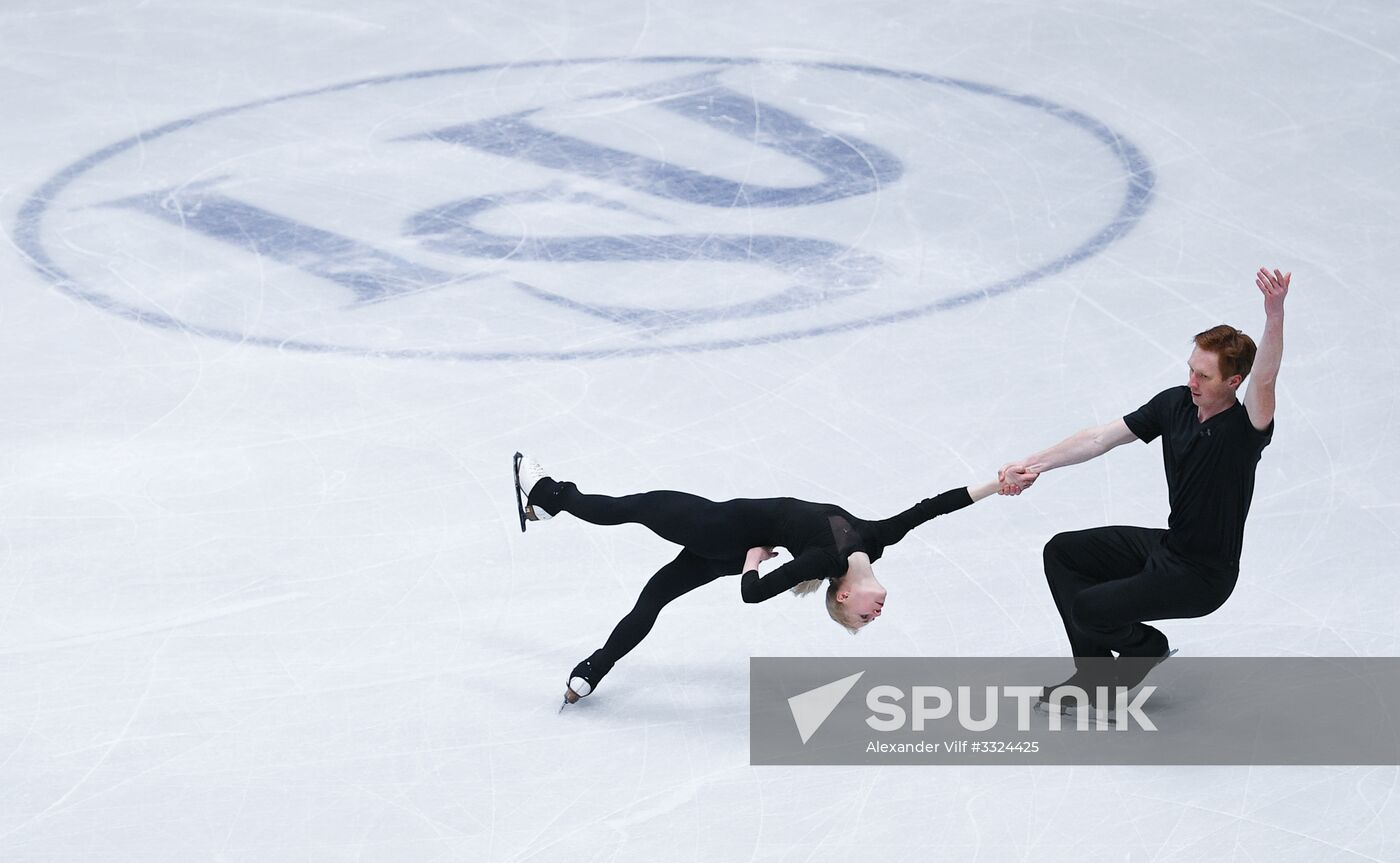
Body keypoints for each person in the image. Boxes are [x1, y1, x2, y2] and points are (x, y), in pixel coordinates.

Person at [1000, 267, 1290, 708]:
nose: (1192, 382)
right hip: (1168, 548)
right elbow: (1101, 438)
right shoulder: (1174, 403)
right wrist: (1033, 464)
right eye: (1191, 369)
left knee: (1092, 609)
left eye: (1204, 377)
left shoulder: (1244, 428)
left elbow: (1265, 379)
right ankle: (1095, 680)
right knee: (1063, 553)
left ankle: (1146, 648)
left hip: (1203, 576)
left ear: (1233, 382)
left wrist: (1274, 315)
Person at [513, 453, 1008, 705]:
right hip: (723, 549)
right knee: (655, 597)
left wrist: (751, 559)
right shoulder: (877, 539)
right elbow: (934, 508)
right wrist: (997, 484)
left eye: (859, 618)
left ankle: (547, 492)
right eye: (870, 616)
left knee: (635, 507)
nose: (874, 615)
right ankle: (590, 672)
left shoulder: (820, 561)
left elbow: (752, 596)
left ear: (842, 594)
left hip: (717, 529)